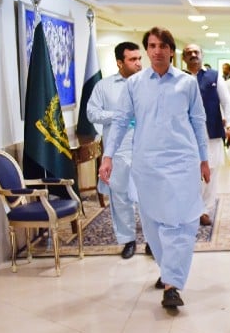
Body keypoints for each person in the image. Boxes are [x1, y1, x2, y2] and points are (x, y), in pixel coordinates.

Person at [99, 27, 209, 309]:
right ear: (147, 51)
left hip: (182, 163)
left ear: (172, 50)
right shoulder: (134, 85)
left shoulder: (186, 83)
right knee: (153, 225)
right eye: (152, 45)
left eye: (163, 45)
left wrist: (204, 159)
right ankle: (168, 269)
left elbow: (198, 122)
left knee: (182, 222)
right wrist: (108, 156)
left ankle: (172, 285)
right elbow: (121, 122)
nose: (157, 50)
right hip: (146, 164)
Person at [86, 42, 143, 259]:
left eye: (139, 59)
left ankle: (152, 240)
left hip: (145, 150)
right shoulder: (104, 86)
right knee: (121, 198)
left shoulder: (149, 84)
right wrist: (118, 116)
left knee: (148, 197)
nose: (138, 63)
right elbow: (92, 113)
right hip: (118, 152)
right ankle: (128, 240)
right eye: (132, 59)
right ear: (120, 62)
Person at [183, 44, 230, 226]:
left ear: (202, 55)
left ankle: (204, 210)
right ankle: (190, 209)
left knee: (210, 173)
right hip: (185, 136)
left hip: (211, 132)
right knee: (189, 173)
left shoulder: (213, 76)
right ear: (183, 58)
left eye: (196, 52)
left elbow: (227, 103)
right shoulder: (178, 78)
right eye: (188, 53)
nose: (193, 55)